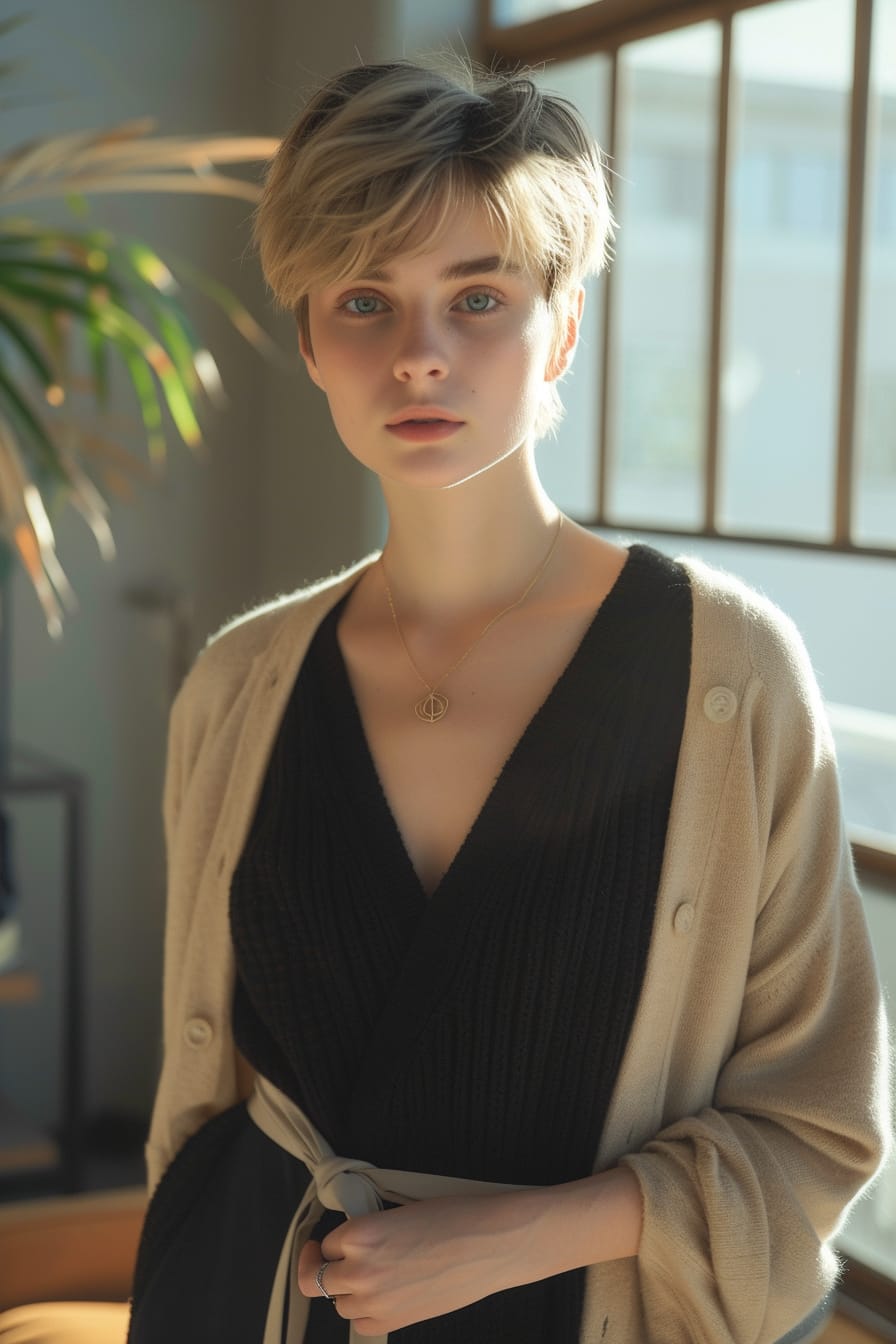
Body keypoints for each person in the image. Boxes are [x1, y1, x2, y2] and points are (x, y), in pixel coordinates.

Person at [124, 57, 889, 1344]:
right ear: (308, 338)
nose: (418, 356)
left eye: (476, 296)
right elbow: (202, 1099)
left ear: (564, 328)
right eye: (365, 300)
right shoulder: (238, 686)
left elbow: (815, 1122)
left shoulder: (727, 674)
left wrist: (519, 1236)